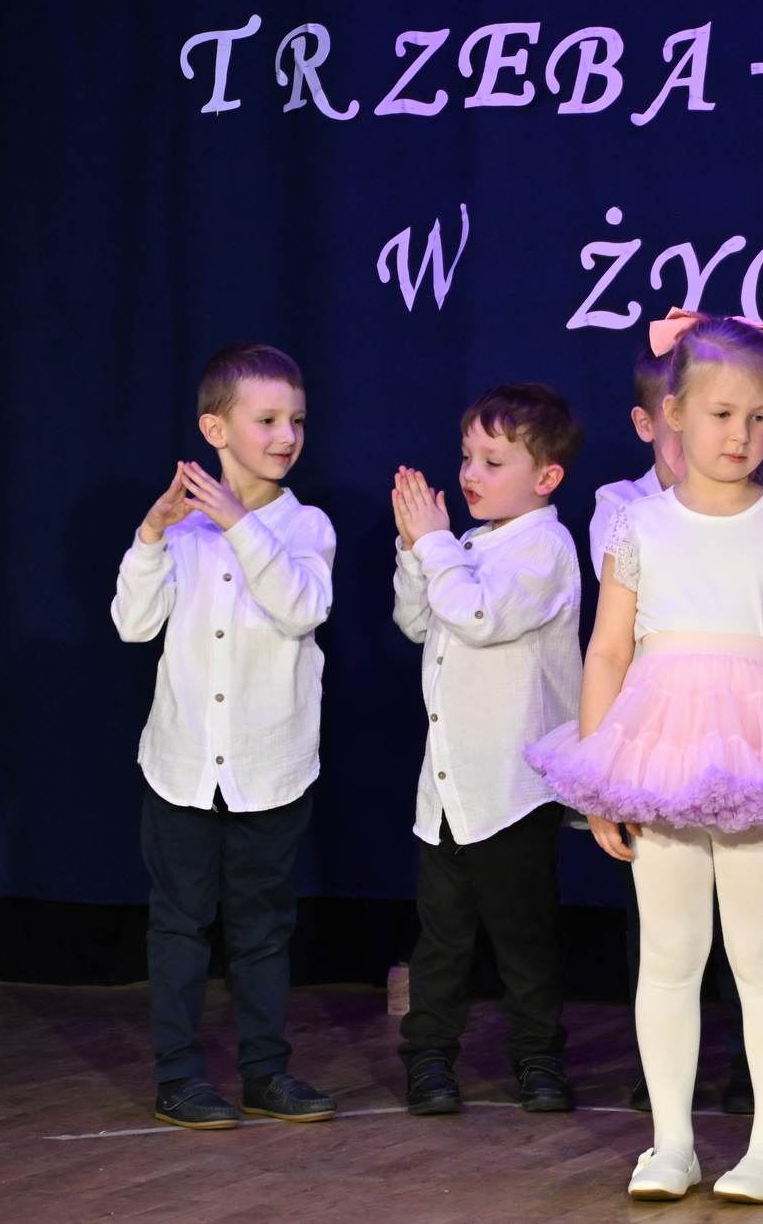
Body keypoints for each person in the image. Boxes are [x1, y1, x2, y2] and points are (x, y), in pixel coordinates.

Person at [529, 311, 763, 1204]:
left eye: (759, 418)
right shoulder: (639, 524)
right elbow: (608, 652)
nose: (740, 435)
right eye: (722, 414)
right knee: (670, 953)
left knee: (760, 951)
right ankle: (672, 1141)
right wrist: (600, 777)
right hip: (664, 747)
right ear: (674, 413)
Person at [111, 343, 337, 1130]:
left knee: (262, 927)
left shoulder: (305, 525)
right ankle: (178, 1074)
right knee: (179, 922)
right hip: (180, 764)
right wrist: (151, 533)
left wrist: (240, 524)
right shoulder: (181, 532)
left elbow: (302, 606)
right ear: (216, 428)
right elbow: (133, 624)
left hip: (269, 767)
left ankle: (265, 1071)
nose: (286, 435)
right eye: (266, 419)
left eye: (296, 420)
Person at [390, 383, 584, 1117]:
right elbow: (418, 621)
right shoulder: (466, 546)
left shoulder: (545, 547)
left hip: (512, 788)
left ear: (546, 477)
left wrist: (434, 544)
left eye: (493, 461)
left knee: (522, 936)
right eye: (467, 456)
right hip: (448, 787)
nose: (471, 474)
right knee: (441, 937)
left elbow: (478, 614)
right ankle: (429, 1058)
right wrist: (415, 550)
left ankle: (538, 1057)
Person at [586, 342, 750, 1116]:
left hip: (740, 725)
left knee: (748, 923)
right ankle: (664, 1084)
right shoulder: (625, 508)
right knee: (659, 927)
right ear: (653, 420)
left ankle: (750, 1067)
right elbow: (614, 635)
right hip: (656, 728)